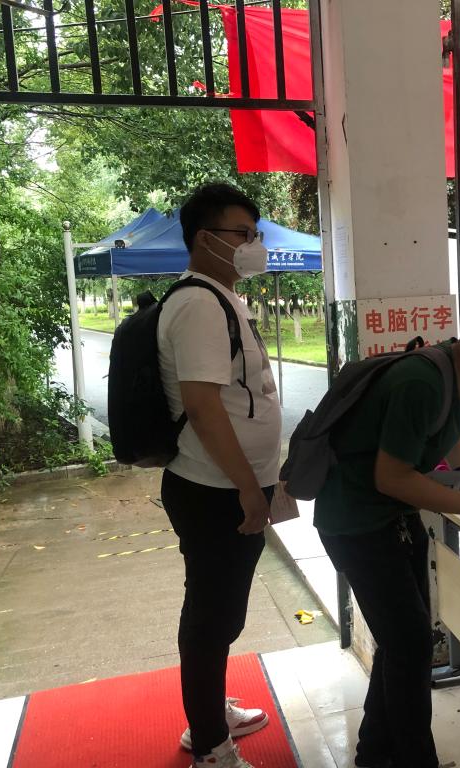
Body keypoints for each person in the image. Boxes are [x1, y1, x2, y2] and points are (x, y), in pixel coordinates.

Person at [314, 283, 460, 768]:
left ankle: (374, 755)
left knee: (405, 640)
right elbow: (392, 477)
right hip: (355, 521)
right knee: (411, 643)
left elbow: (451, 435)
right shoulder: (420, 382)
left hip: (392, 518)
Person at [158, 183, 280, 768]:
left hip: (229, 485)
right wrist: (249, 488)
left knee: (222, 612)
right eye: (242, 234)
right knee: (211, 617)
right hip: (215, 489)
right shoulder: (199, 304)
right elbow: (204, 407)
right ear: (205, 239)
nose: (253, 244)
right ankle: (209, 742)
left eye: (255, 234)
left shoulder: (224, 298)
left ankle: (210, 712)